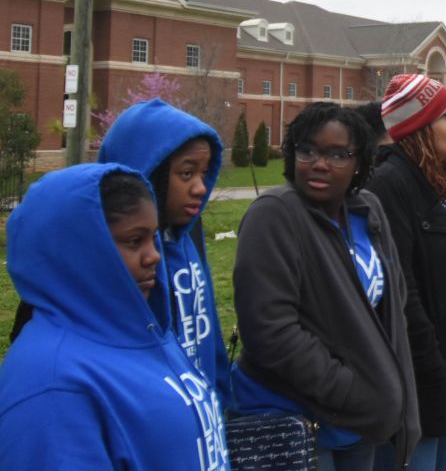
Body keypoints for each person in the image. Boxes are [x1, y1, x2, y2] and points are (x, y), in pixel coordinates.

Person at [0, 165, 229, 469]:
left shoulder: (148, 330)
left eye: (153, 237)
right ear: (79, 251)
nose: (154, 256)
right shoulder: (52, 386)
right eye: (134, 241)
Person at [231, 102, 420, 470]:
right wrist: (354, 390)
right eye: (308, 151)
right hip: (294, 420)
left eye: (337, 154)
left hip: (360, 424)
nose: (319, 163)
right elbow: (270, 332)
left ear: (360, 162)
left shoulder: (368, 211)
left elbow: (392, 307)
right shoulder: (275, 214)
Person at [366, 74, 446, 471]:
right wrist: (431, 361)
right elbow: (401, 286)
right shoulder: (390, 183)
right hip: (423, 375)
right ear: (419, 125)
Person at [98, 99, 230, 399]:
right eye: (186, 174)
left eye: (203, 173)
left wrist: (221, 398)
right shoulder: (117, 258)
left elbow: (210, 332)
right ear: (148, 173)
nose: (199, 187)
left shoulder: (189, 234)